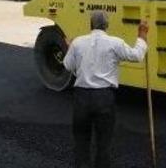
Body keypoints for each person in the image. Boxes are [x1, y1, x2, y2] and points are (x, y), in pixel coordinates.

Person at [63, 12, 149, 168]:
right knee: (104, 143)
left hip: (81, 98)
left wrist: (71, 49)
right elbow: (137, 56)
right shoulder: (115, 43)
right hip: (104, 98)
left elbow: (68, 66)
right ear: (106, 26)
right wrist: (142, 35)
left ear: (90, 24)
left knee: (81, 142)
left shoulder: (77, 43)